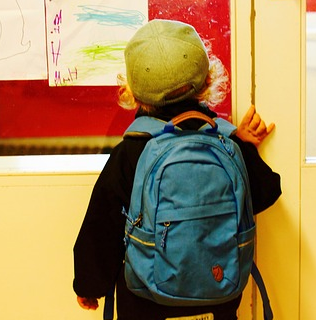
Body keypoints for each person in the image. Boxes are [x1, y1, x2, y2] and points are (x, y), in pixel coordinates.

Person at [73, 19, 281, 320]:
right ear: (208, 80)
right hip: (219, 292)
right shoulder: (224, 142)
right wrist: (244, 147)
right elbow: (266, 192)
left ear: (132, 92)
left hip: (146, 299)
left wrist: (90, 284)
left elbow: (101, 226)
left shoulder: (132, 151)